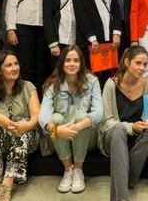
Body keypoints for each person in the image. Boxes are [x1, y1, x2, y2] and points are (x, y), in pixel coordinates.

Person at [98, 45, 148, 201]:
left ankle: (126, 177)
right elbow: (105, 122)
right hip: (114, 137)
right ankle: (121, 198)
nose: (142, 68)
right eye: (138, 63)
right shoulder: (111, 84)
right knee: (118, 129)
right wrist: (130, 126)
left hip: (136, 137)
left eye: (145, 64)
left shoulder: (147, 84)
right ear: (127, 62)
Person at [39, 45, 103, 193]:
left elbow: (99, 113)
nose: (72, 64)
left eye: (76, 60)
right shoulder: (52, 84)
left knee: (82, 116)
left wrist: (78, 126)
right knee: (55, 118)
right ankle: (68, 169)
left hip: (86, 137)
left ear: (81, 63)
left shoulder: (92, 81)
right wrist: (56, 129)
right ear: (61, 63)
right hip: (60, 138)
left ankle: (78, 170)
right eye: (67, 60)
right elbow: (43, 116)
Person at [0, 50, 40, 201]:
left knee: (23, 127)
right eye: (9, 65)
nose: (15, 68)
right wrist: (0, 118)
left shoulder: (28, 86)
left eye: (16, 64)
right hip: (0, 140)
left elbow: (37, 117)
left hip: (26, 138)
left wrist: (24, 126)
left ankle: (7, 182)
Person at [5, 0, 53, 91]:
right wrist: (10, 28)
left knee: (44, 66)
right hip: (24, 24)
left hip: (46, 26)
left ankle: (42, 102)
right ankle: (29, 100)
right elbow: (12, 2)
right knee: (27, 66)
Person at [43, 0, 79, 68]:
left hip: (77, 39)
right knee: (58, 73)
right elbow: (47, 17)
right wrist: (52, 43)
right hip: (59, 39)